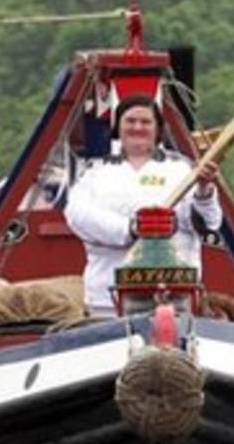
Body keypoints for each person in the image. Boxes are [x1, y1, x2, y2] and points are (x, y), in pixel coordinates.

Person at [64, 94, 222, 316]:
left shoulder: (181, 171)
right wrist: (130, 228)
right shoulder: (95, 173)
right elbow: (78, 216)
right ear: (118, 126)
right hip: (109, 300)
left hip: (174, 298)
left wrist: (204, 190)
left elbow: (209, 223)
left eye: (146, 122)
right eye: (130, 121)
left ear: (158, 129)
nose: (137, 127)